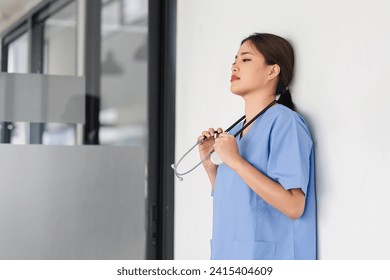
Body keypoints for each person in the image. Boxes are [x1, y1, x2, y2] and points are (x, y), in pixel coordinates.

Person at [198, 33, 316, 260]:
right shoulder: (232, 133)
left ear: (272, 71)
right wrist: (211, 167)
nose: (234, 66)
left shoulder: (285, 123)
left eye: (246, 59)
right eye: (234, 60)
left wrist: (234, 161)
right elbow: (240, 199)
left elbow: (294, 206)